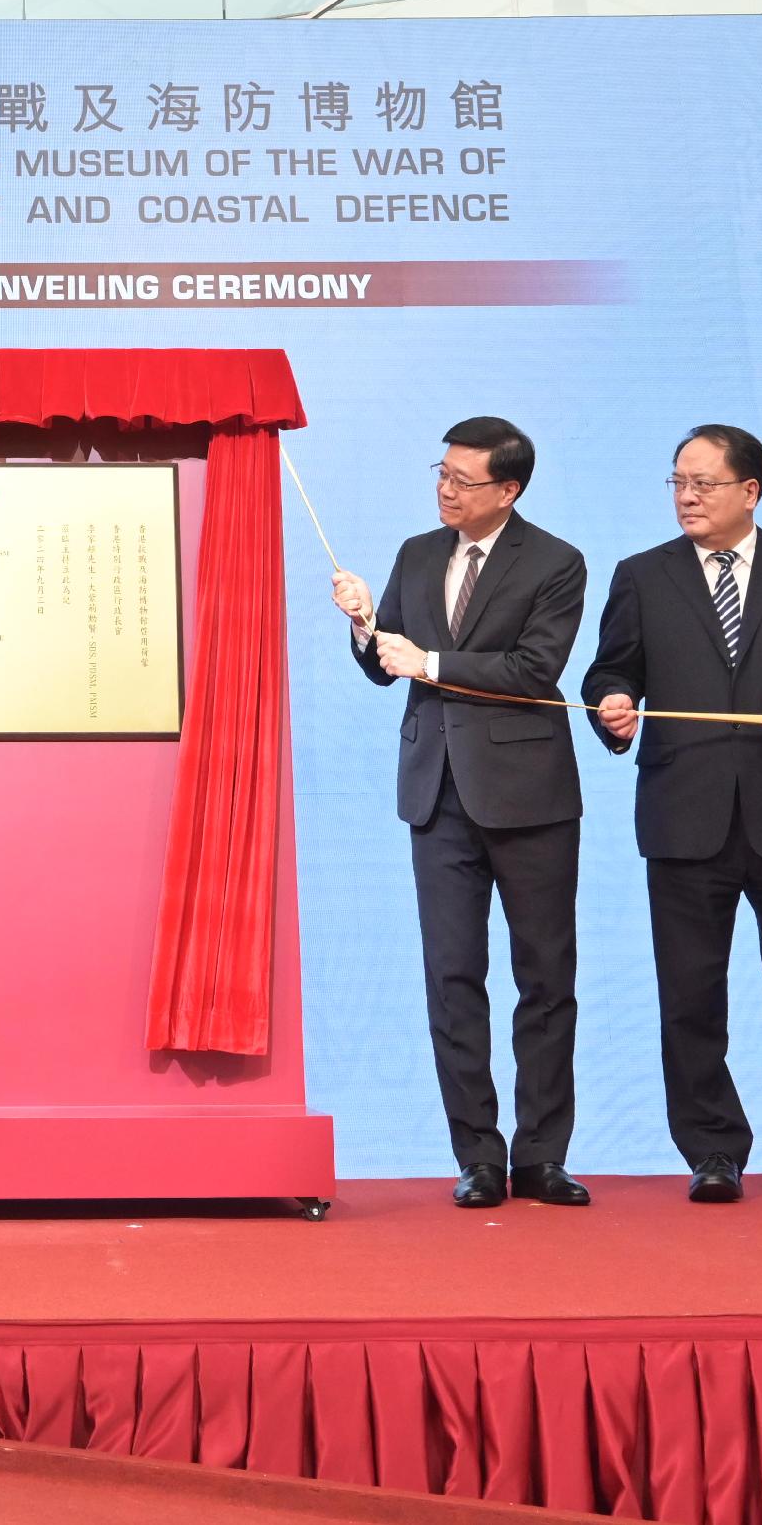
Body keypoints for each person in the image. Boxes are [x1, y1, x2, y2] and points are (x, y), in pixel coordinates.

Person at [582, 424, 762, 1205]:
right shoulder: (642, 575)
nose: (687, 495)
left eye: (704, 482)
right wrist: (611, 704)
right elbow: (611, 669)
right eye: (678, 480)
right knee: (690, 995)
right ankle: (713, 1149)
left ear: (750, 490)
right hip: (685, 815)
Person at [331, 417, 591, 1210]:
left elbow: (535, 668)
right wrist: (364, 625)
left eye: (463, 480)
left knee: (544, 976)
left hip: (529, 796)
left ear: (506, 490)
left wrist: (430, 660)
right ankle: (477, 1152)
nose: (445, 489)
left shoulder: (556, 561)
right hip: (437, 792)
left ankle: (541, 1154)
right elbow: (387, 669)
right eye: (440, 473)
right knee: (452, 976)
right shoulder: (417, 552)